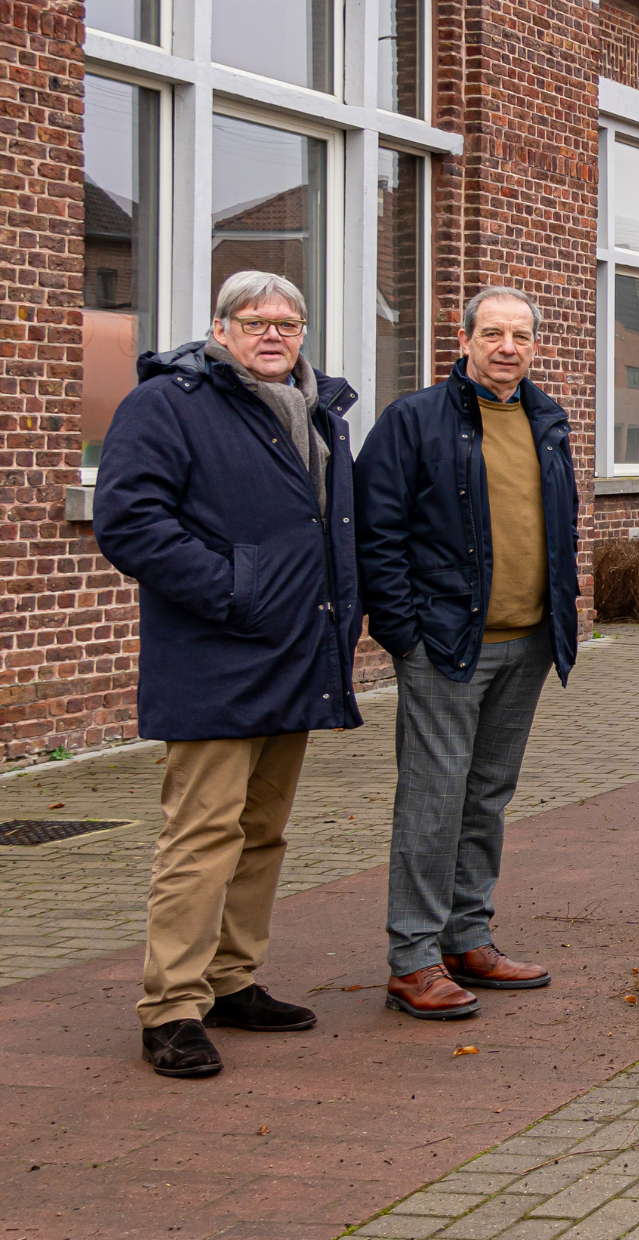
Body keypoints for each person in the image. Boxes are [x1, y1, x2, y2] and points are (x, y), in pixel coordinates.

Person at [94, 271, 363, 1078]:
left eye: (288, 322)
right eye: (255, 321)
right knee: (201, 835)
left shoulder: (321, 410)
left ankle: (229, 979)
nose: (273, 334)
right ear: (220, 330)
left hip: (295, 653)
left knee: (261, 833)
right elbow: (129, 520)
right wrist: (231, 591)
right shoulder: (168, 403)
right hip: (215, 654)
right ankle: (171, 1008)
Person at [355, 286, 579, 1020]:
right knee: (433, 797)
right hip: (446, 647)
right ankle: (413, 959)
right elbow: (376, 534)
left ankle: (467, 935)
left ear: (535, 345)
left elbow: (558, 524)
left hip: (529, 642)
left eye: (520, 335)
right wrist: (404, 634)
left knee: (485, 795)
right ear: (464, 337)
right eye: (492, 333)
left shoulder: (546, 421)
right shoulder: (414, 421)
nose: (506, 347)